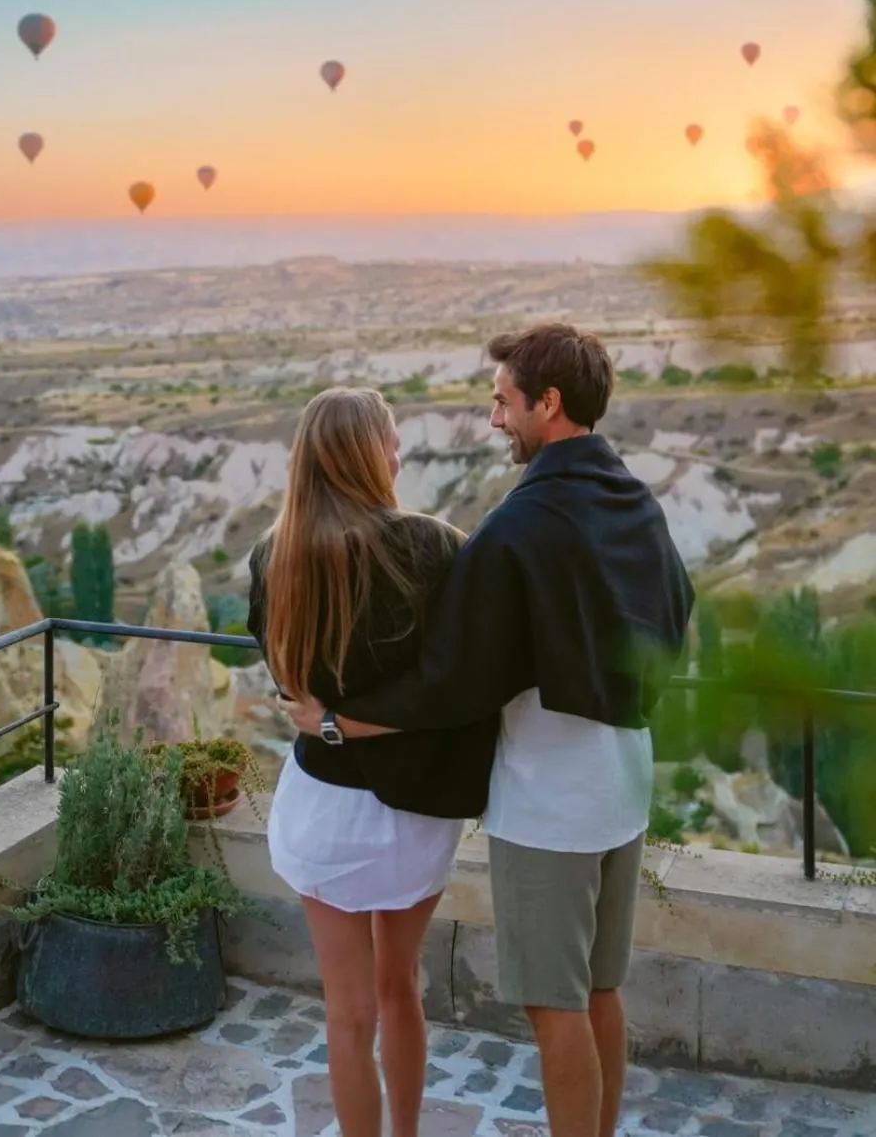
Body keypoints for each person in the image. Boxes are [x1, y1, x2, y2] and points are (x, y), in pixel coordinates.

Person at [280, 325, 694, 1137]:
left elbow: (451, 685)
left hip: (550, 800)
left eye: (505, 402)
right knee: (601, 990)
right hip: (624, 778)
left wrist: (337, 721)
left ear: (550, 404)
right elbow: (676, 612)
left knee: (553, 1006)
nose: (495, 419)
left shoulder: (519, 526)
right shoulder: (634, 499)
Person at [247, 386, 498, 1137]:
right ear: (368, 452)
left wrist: (332, 724)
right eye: (391, 439)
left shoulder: (273, 556)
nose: (399, 452)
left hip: (321, 809)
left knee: (347, 1011)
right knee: (401, 993)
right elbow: (458, 682)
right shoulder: (433, 547)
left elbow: (287, 681)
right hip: (413, 813)